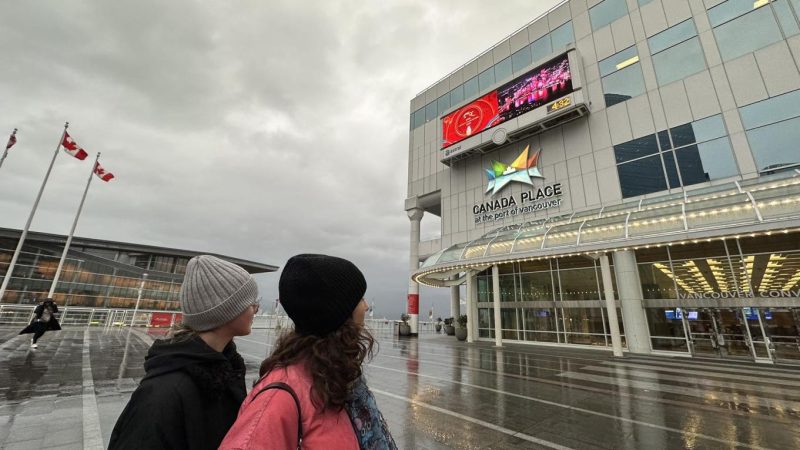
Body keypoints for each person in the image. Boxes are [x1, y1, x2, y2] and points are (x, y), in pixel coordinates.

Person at [220, 254, 396, 450]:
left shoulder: (336, 377)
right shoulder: (279, 397)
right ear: (337, 314)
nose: (366, 306)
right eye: (360, 298)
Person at [109, 255, 260, 450]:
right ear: (226, 311)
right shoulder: (163, 395)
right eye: (250, 303)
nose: (255, 309)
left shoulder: (226, 371)